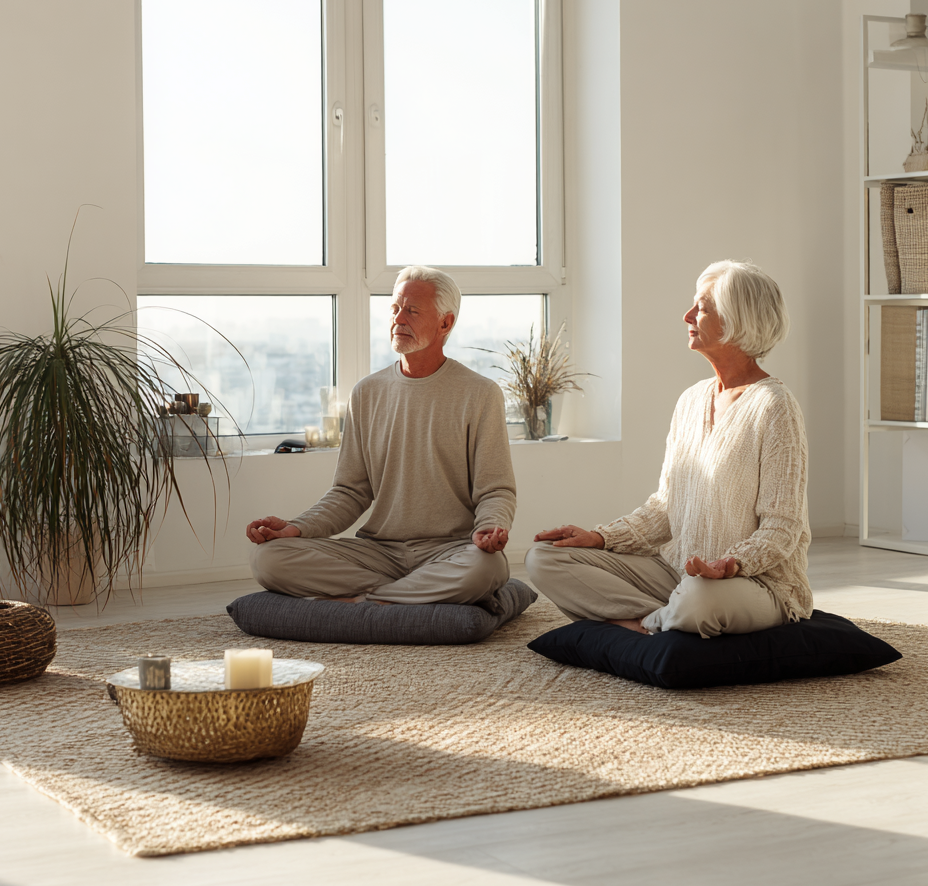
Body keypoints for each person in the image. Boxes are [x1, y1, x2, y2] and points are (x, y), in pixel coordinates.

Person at [525, 259, 812, 638]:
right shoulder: (691, 401)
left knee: (700, 598)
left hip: (755, 583)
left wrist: (730, 564)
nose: (687, 315)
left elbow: (782, 527)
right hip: (675, 573)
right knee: (544, 558)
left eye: (702, 308)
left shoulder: (776, 406)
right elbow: (665, 508)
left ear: (737, 320)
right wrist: (601, 537)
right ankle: (660, 621)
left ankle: (643, 623)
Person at [247, 265, 516, 607]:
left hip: (449, 551)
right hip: (377, 553)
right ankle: (407, 595)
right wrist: (294, 529)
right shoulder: (367, 392)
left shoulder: (481, 394)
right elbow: (350, 493)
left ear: (445, 323)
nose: (398, 319)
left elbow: (496, 489)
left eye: (412, 311)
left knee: (488, 568)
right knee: (267, 558)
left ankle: (366, 601)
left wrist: (489, 528)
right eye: (395, 308)